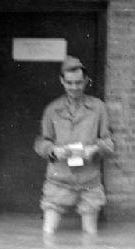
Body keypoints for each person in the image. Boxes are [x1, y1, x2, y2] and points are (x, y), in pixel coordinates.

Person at [34, 56, 114, 234]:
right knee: (48, 232)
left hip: (89, 180)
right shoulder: (52, 109)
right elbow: (40, 143)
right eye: (69, 83)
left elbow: (109, 143)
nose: (74, 87)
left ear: (86, 81)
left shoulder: (98, 108)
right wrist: (53, 151)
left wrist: (96, 149)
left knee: (90, 233)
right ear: (62, 81)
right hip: (58, 179)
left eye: (79, 82)